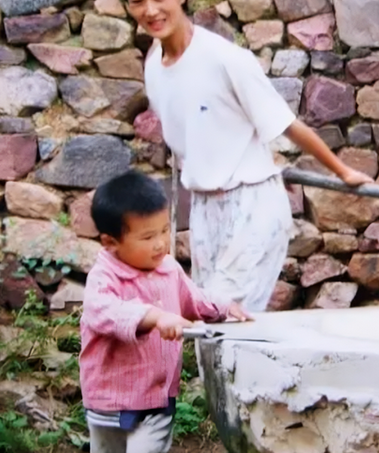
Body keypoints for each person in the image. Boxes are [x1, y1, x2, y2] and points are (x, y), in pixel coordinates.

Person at [115, 0, 373, 314]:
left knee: (226, 322)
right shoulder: (154, 65)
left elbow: (285, 123)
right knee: (208, 321)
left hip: (252, 205)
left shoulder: (225, 59)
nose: (151, 10)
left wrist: (342, 171)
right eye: (137, 1)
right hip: (205, 208)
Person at [79, 169, 251, 453]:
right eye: (147, 237)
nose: (160, 242)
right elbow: (105, 312)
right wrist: (156, 317)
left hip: (156, 397)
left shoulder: (168, 269)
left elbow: (194, 299)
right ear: (111, 242)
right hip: (108, 398)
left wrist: (224, 306)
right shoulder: (104, 277)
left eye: (163, 231)